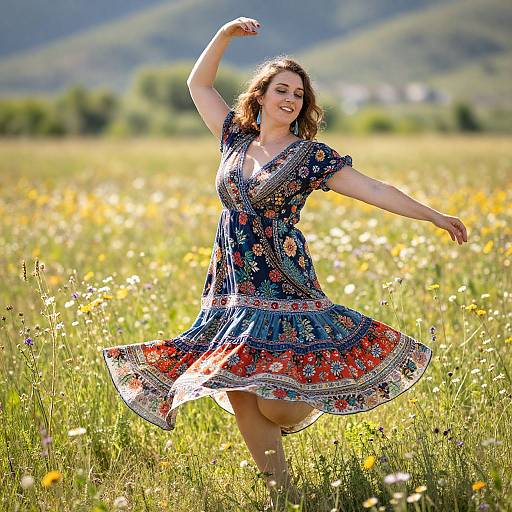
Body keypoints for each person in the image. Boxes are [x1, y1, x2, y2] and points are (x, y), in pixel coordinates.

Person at [102, 16, 469, 508]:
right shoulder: (233, 137)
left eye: (298, 93)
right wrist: (224, 36)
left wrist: (433, 216)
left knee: (275, 400)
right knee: (236, 386)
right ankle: (285, 497)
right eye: (282, 89)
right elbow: (199, 83)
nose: (291, 99)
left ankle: (301, 409)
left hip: (283, 282)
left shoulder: (310, 156)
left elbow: (375, 189)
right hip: (231, 288)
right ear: (260, 96)